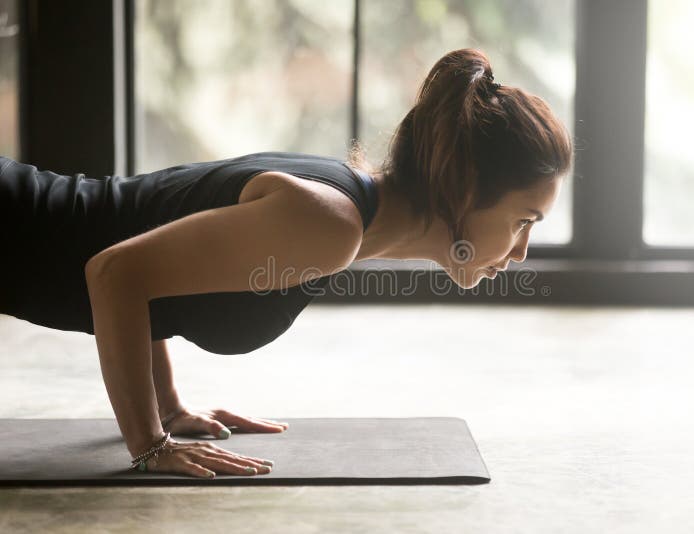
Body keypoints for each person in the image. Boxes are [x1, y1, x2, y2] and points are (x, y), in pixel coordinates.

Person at [0, 48, 573, 479]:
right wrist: (150, 444)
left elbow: (152, 264)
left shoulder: (340, 211)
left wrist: (169, 409)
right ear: (466, 189)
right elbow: (115, 273)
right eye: (524, 219)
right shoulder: (329, 223)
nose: (521, 251)